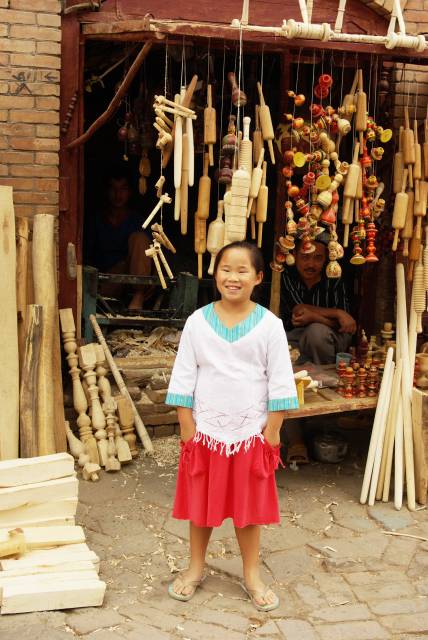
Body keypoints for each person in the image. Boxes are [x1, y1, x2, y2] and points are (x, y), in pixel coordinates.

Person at [165, 241, 298, 612]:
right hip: (205, 433)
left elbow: (281, 383)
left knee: (249, 510)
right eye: (226, 268)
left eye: (242, 271)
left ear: (258, 277)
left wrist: (271, 433)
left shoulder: (270, 326)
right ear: (215, 273)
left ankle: (252, 574)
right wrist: (187, 428)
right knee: (200, 506)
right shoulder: (197, 322)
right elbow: (184, 377)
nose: (232, 277)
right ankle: (195, 568)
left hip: (250, 434)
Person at [280, 234, 356, 365]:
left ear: (326, 257)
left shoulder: (334, 278)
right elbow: (300, 310)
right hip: (296, 337)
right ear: (294, 255)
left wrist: (314, 317)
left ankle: (325, 374)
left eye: (318, 258)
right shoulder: (288, 277)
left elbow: (345, 326)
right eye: (305, 257)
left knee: (316, 333)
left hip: (331, 338)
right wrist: (337, 313)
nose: (311, 264)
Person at [88, 169, 152, 309]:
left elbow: (147, 255)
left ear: (130, 192)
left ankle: (138, 296)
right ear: (106, 191)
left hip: (134, 282)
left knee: (140, 238)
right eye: (113, 189)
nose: (118, 194)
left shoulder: (137, 220)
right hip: (105, 282)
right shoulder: (96, 220)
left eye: (123, 189)